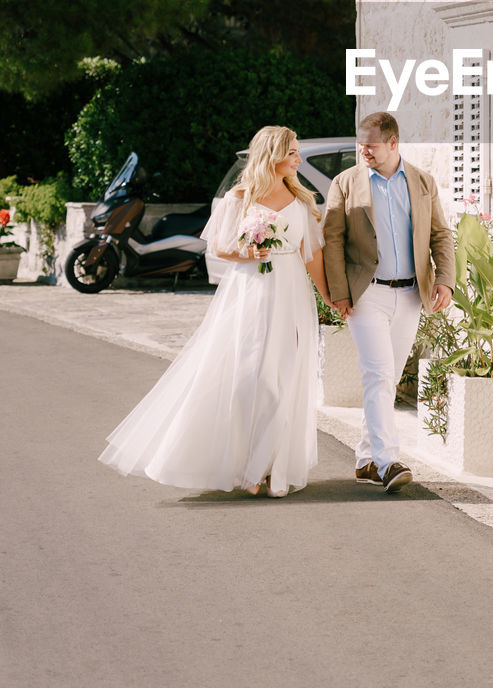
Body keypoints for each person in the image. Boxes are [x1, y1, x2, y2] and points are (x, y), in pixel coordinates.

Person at [99, 126, 329, 497]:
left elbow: (312, 255)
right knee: (251, 377)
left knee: (284, 379)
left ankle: (269, 470)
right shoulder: (239, 197)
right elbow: (221, 247)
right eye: (293, 153)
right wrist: (248, 252)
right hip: (251, 292)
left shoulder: (302, 201)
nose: (298, 160)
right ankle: (244, 467)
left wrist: (330, 298)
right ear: (272, 155)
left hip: (291, 294)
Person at [322, 111, 455, 493]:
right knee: (378, 375)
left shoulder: (423, 182)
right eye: (360, 142)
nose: (363, 149)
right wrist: (339, 292)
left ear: (393, 143)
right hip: (368, 294)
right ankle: (387, 461)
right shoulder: (345, 183)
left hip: (411, 294)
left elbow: (441, 235)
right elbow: (332, 238)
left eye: (371, 144)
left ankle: (365, 461)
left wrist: (445, 280)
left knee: (388, 378)